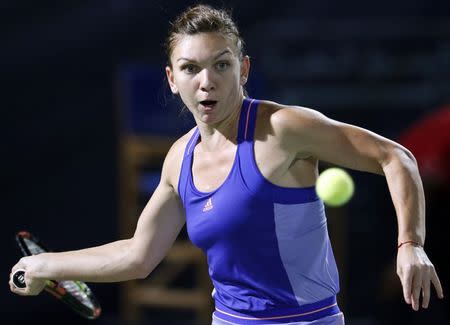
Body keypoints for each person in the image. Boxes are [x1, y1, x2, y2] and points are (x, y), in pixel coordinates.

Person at [10, 4, 444, 325]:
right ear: (172, 79)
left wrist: (411, 244)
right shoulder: (179, 158)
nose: (207, 81)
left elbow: (395, 156)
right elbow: (139, 256)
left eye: (222, 64)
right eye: (190, 68)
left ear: (243, 70)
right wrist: (47, 265)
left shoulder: (285, 128)